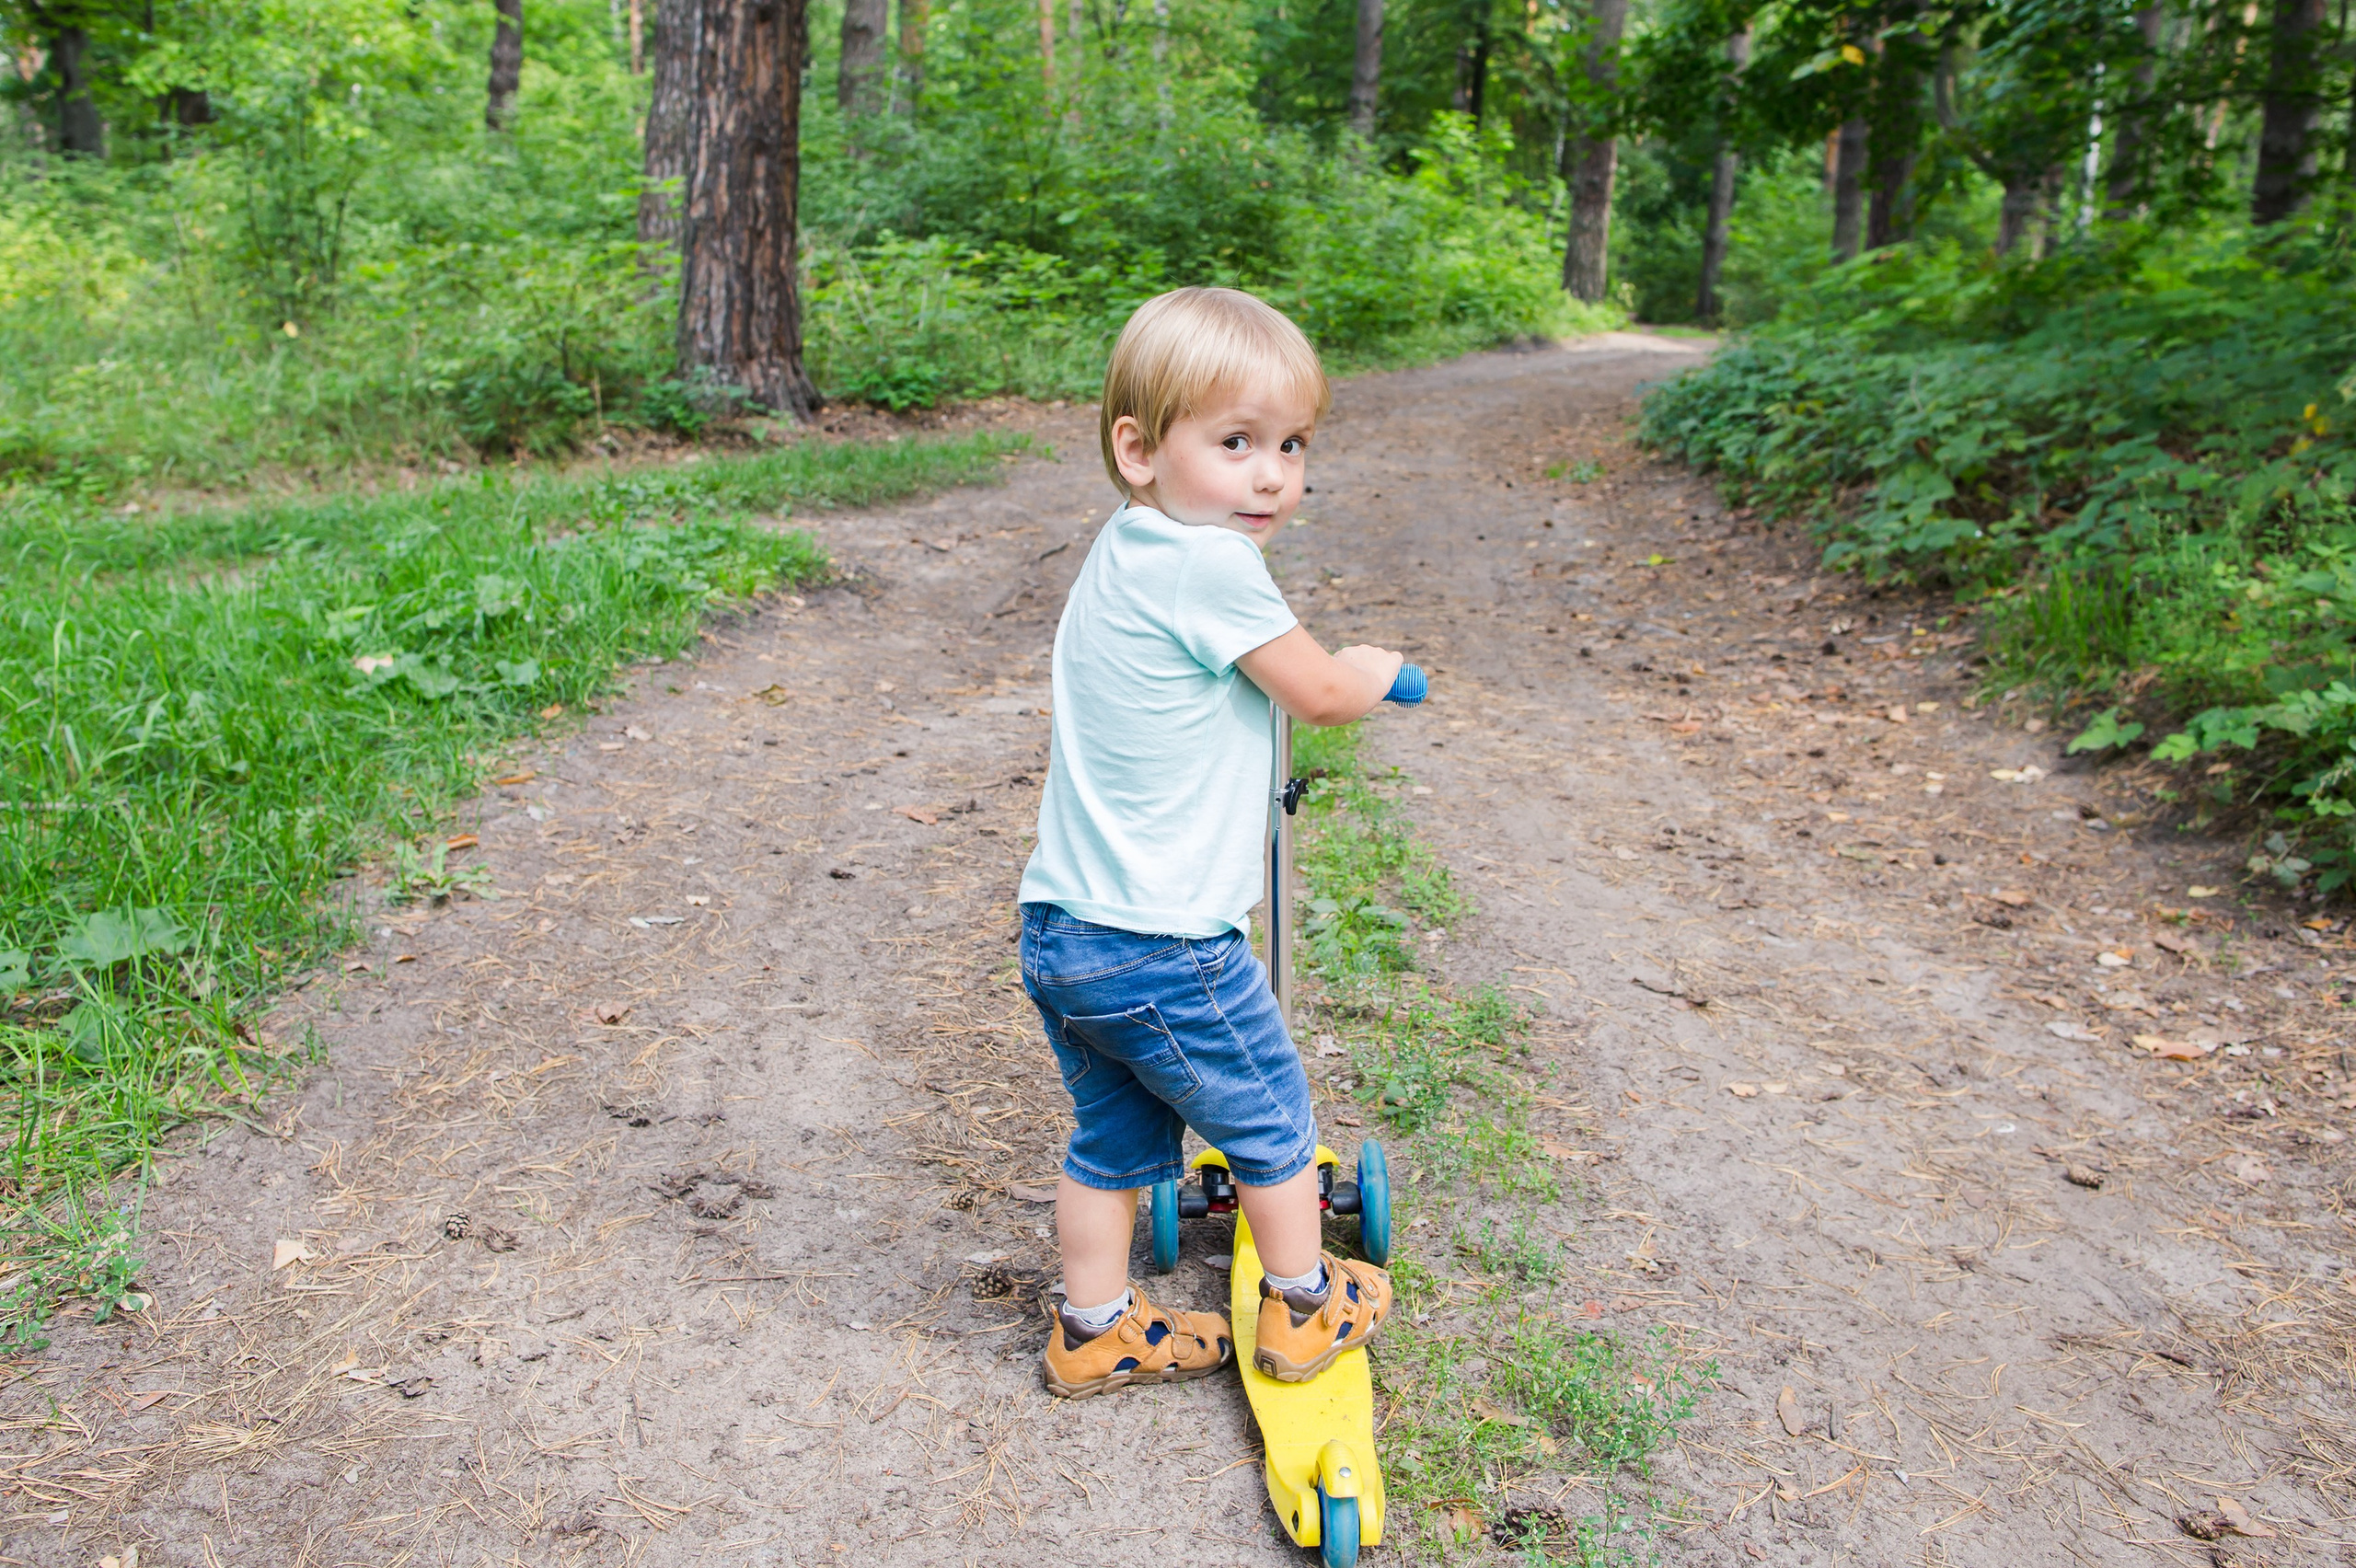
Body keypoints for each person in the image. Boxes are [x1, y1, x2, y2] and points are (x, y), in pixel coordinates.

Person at [1018, 286, 1405, 1398]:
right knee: (1272, 1122)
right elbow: (1321, 691)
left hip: (1063, 929)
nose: (1272, 474)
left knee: (1109, 1141)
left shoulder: (1128, 548)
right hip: (1166, 943)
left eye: (1290, 444)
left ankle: (1094, 1325)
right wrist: (1374, 670)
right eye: (1235, 443)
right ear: (1137, 450)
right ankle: (1303, 1304)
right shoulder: (1212, 567)